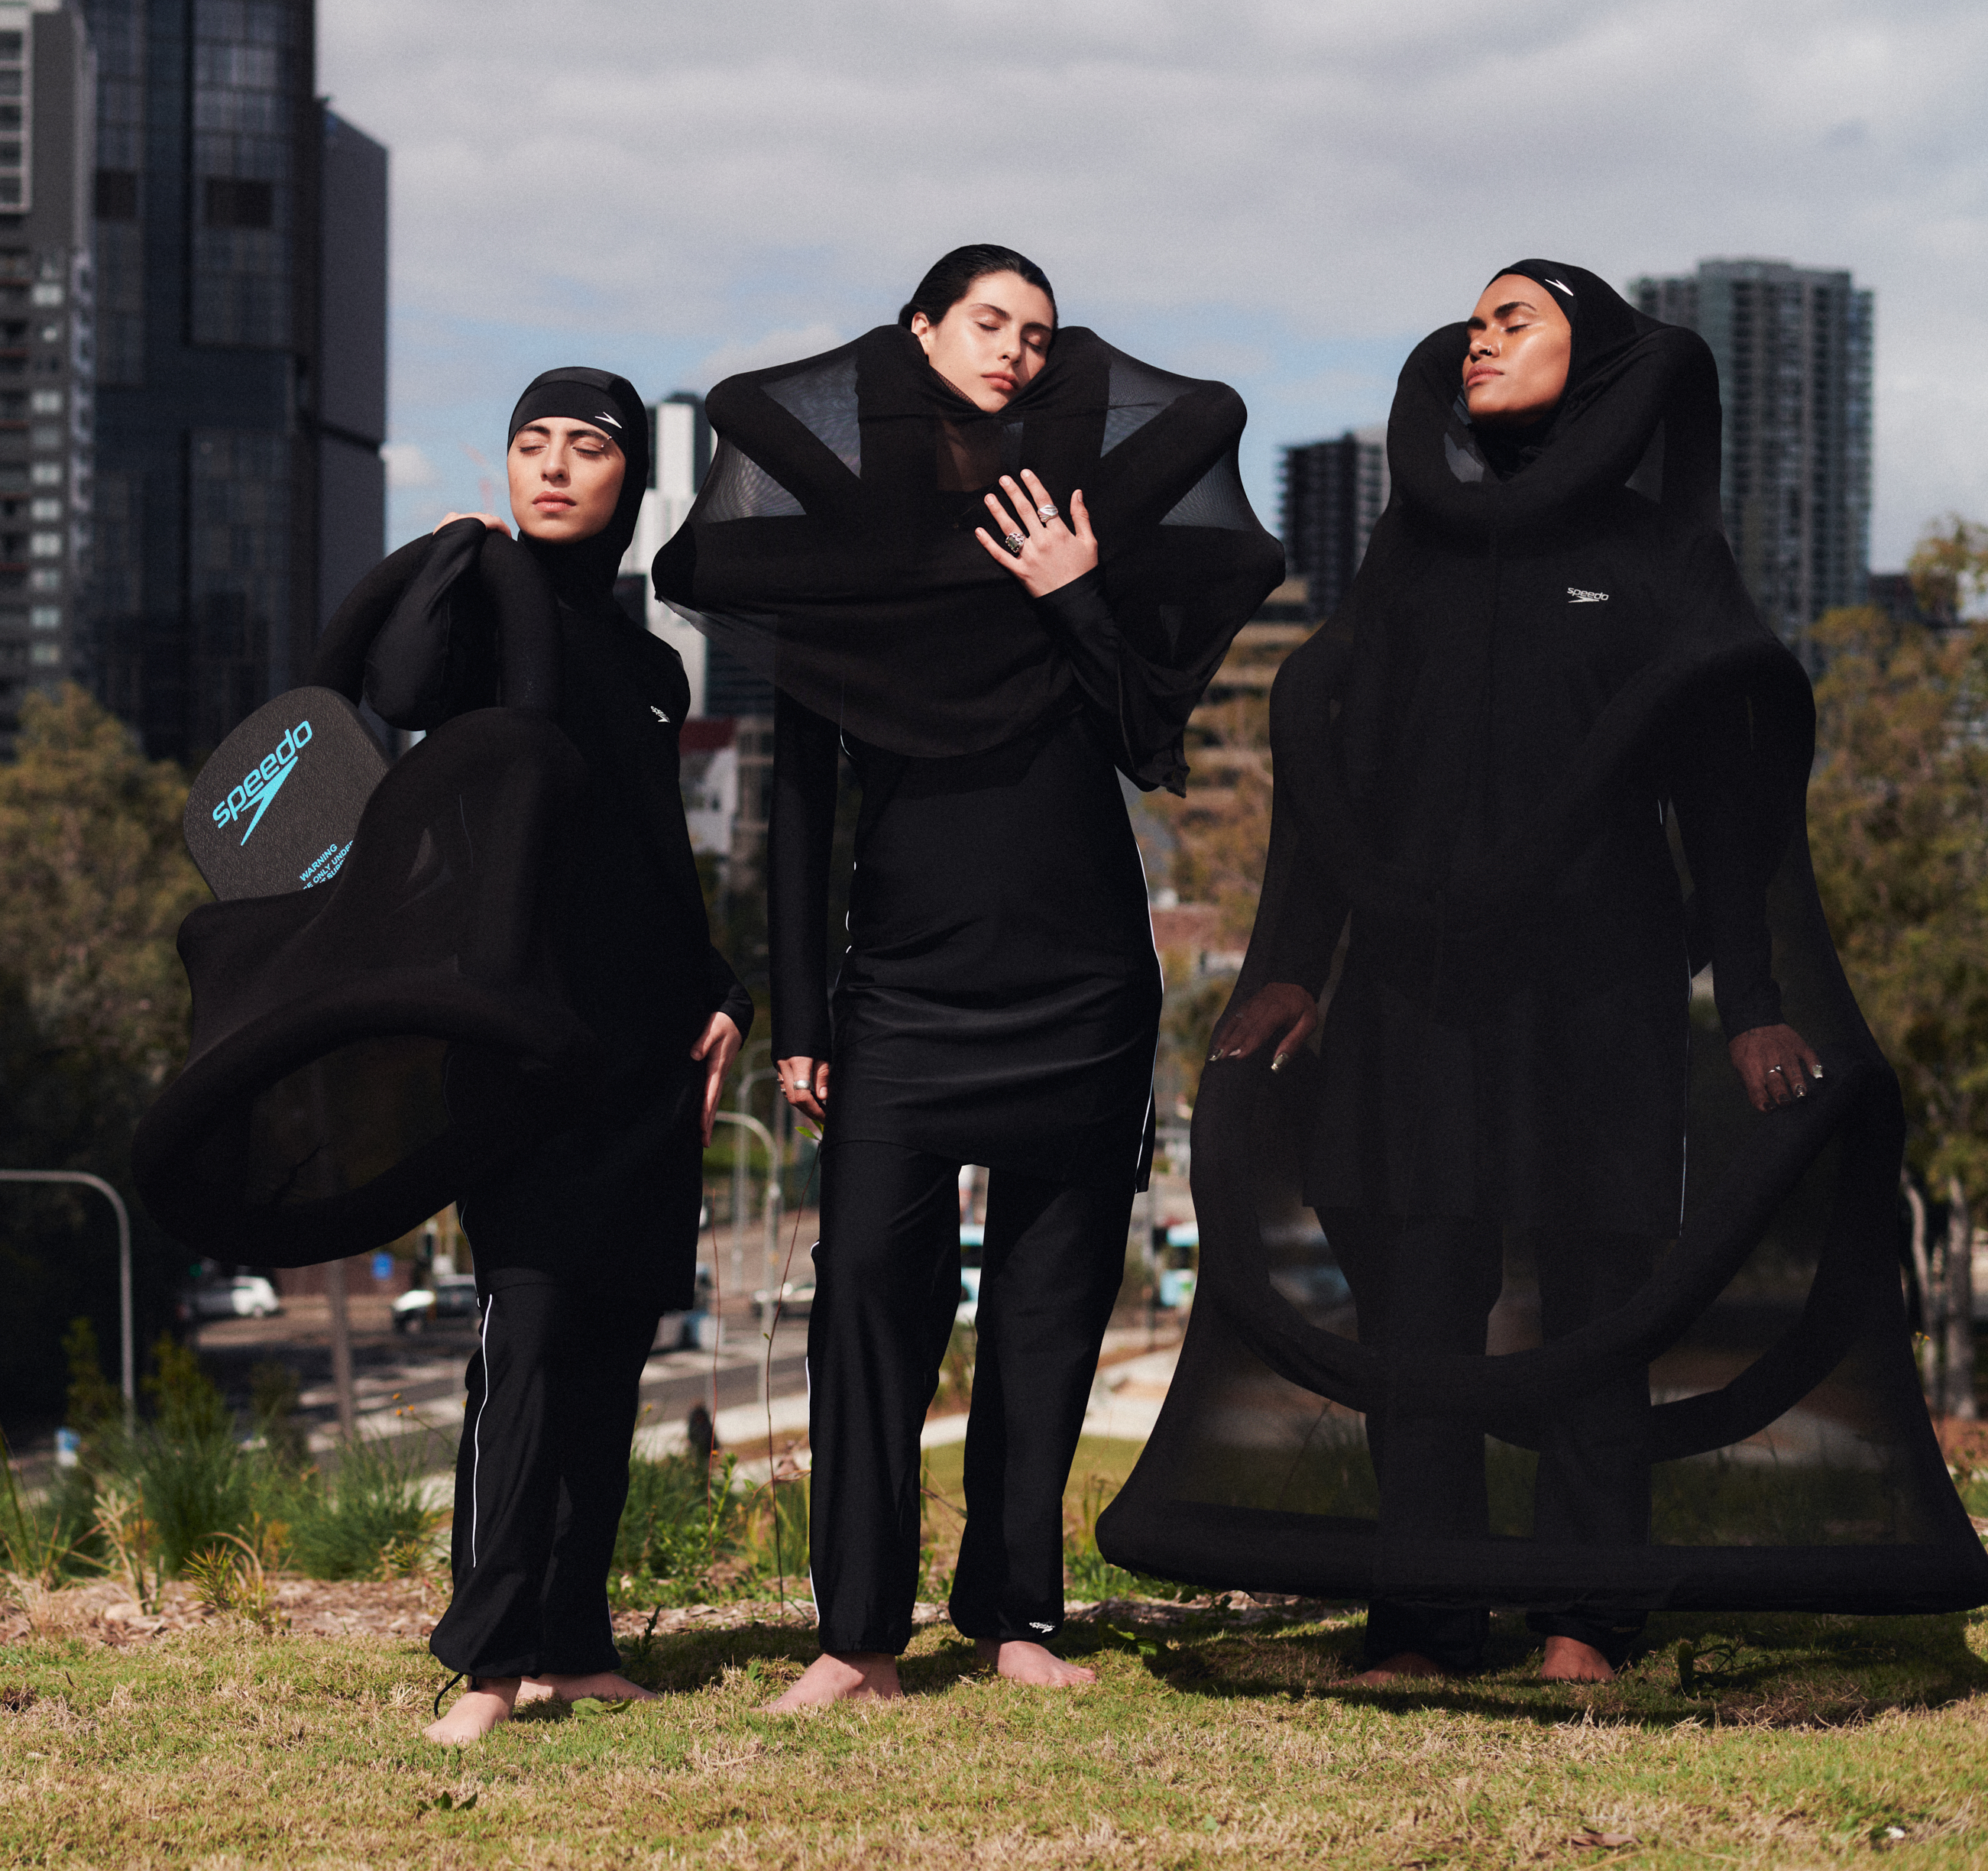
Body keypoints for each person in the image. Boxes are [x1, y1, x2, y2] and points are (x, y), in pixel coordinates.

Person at [1175, 261, 1966, 1678]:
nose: (1480, 342)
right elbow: (1331, 768)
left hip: (1602, 988)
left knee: (1601, 1297)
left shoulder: (1663, 555)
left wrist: (1757, 1002)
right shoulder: (1410, 548)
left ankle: (1582, 1618)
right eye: (1471, 324)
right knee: (1420, 1292)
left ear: (1593, 364)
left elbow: (1725, 803)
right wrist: (1292, 969)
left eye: (1514, 320)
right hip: (1415, 992)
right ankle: (1424, 1616)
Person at [652, 246, 1282, 1705]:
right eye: (987, 321)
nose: (1014, 349)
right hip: (905, 994)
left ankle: (1017, 1619)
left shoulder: (1082, 528)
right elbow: (795, 808)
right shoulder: (841, 551)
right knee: (869, 1293)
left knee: (1052, 1310)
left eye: (1039, 334)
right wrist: (802, 1013)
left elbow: (1151, 745)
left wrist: (1074, 591)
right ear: (919, 335)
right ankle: (855, 1639)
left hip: (1084, 988)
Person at [345, 369, 750, 1745]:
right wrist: (456, 558)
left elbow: (655, 855)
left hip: (647, 1045)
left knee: (615, 1346)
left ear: (631, 482)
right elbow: (386, 691)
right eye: (536, 445)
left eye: (591, 448)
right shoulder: (478, 613)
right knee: (525, 1336)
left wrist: (723, 993)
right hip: (523, 1045)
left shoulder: (652, 667)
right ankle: (489, 1657)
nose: (560, 466)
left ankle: (576, 1637)